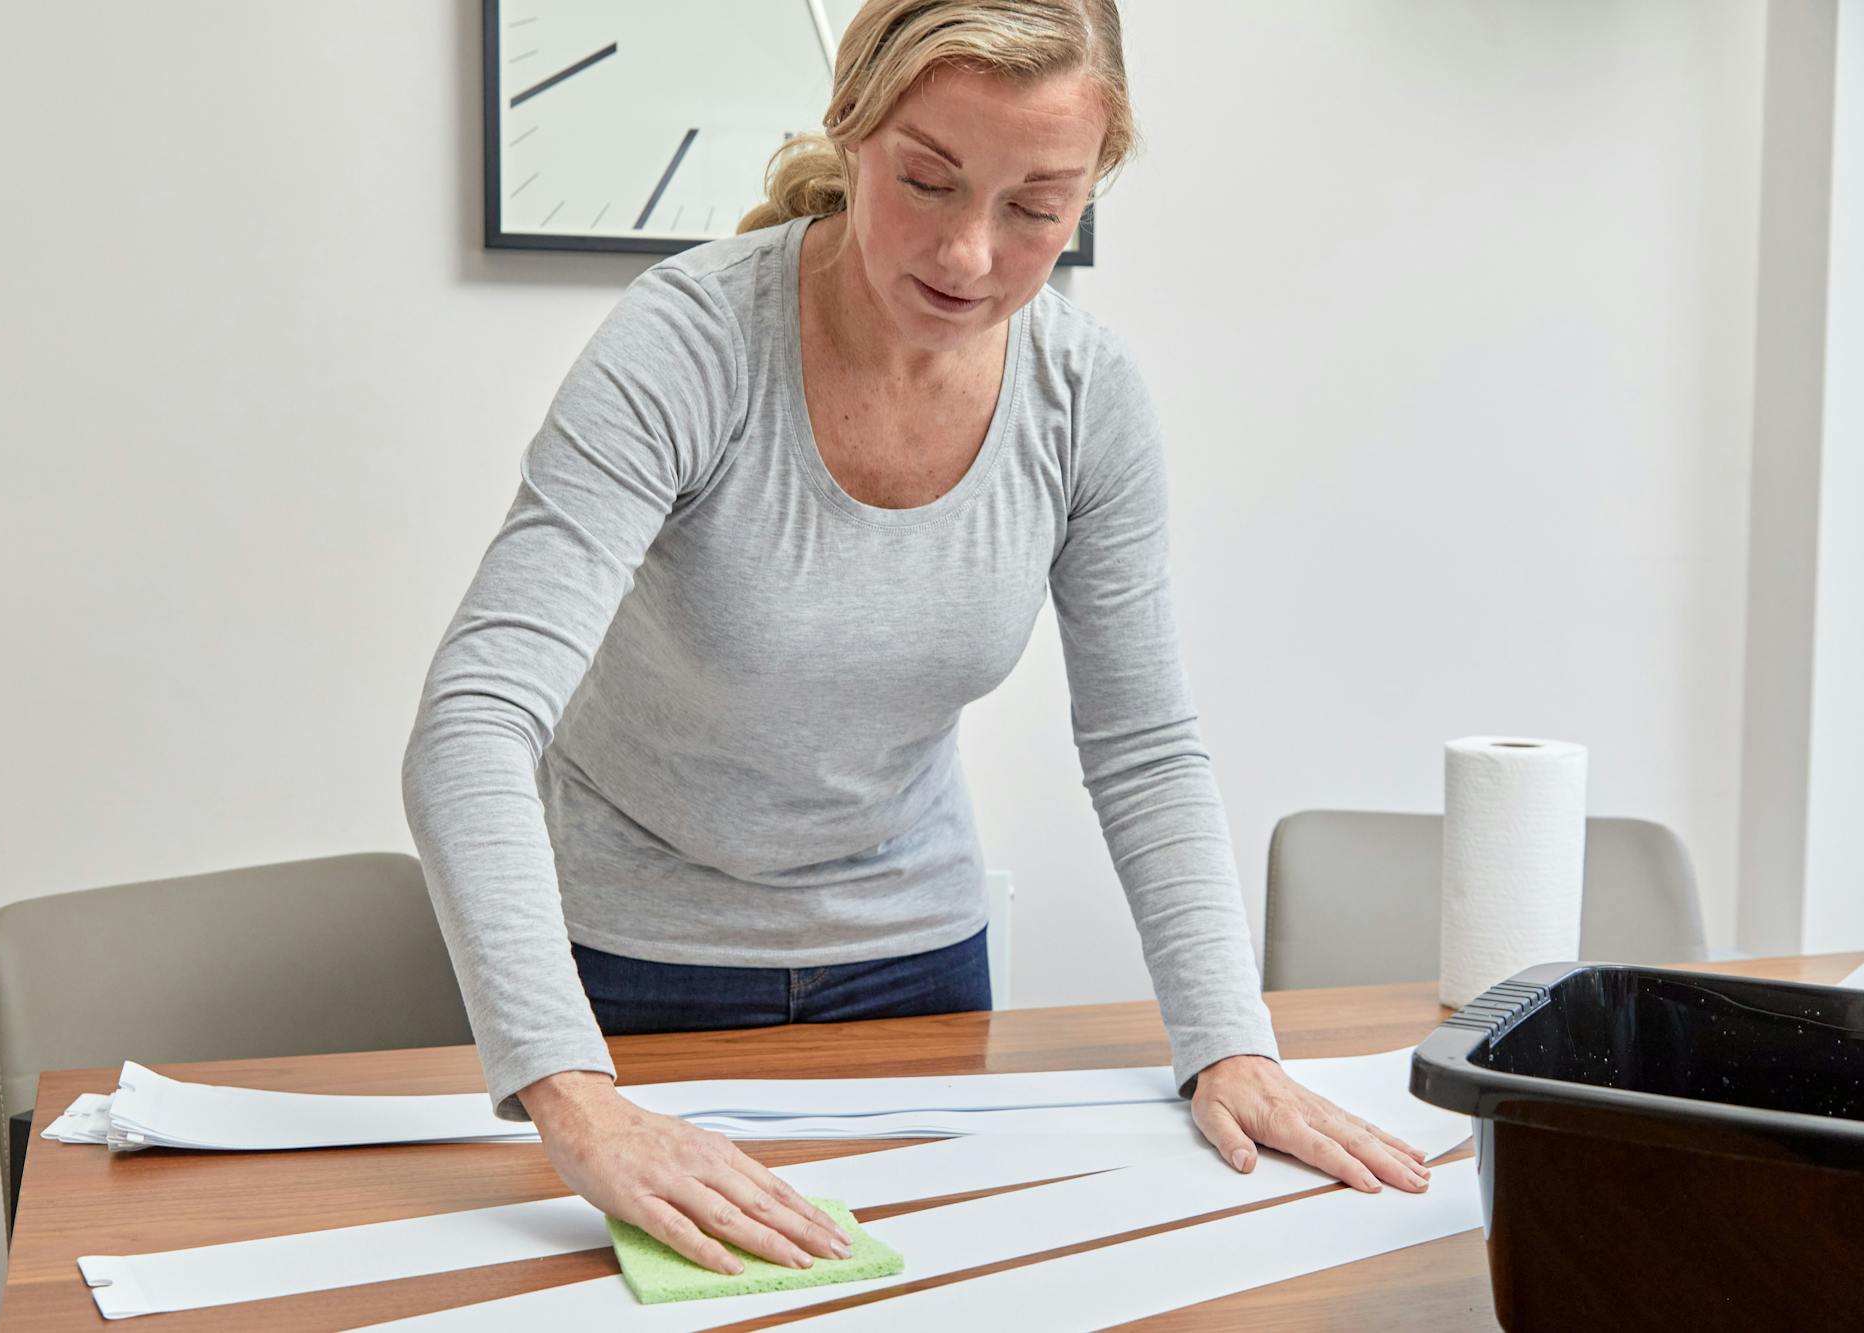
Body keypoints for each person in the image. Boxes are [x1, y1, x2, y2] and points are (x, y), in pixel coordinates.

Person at [403, 0, 1428, 1280]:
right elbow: (474, 723)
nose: (968, 252)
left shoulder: (1085, 399)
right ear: (851, 131)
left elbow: (1144, 746)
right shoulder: (685, 347)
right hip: (629, 968)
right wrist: (574, 1094)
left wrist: (1228, 1042)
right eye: (926, 178)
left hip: (915, 965)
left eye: (1035, 208)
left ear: (1090, 192)